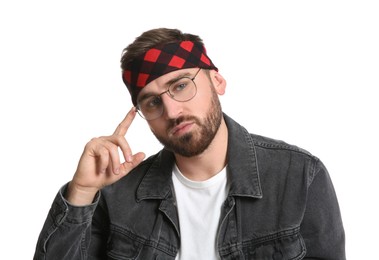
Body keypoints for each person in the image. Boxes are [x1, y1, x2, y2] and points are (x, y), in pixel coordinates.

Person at [33, 28, 345, 260]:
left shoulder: (299, 176)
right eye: (152, 102)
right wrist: (82, 192)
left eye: (181, 85)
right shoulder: (116, 194)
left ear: (217, 81)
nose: (172, 111)